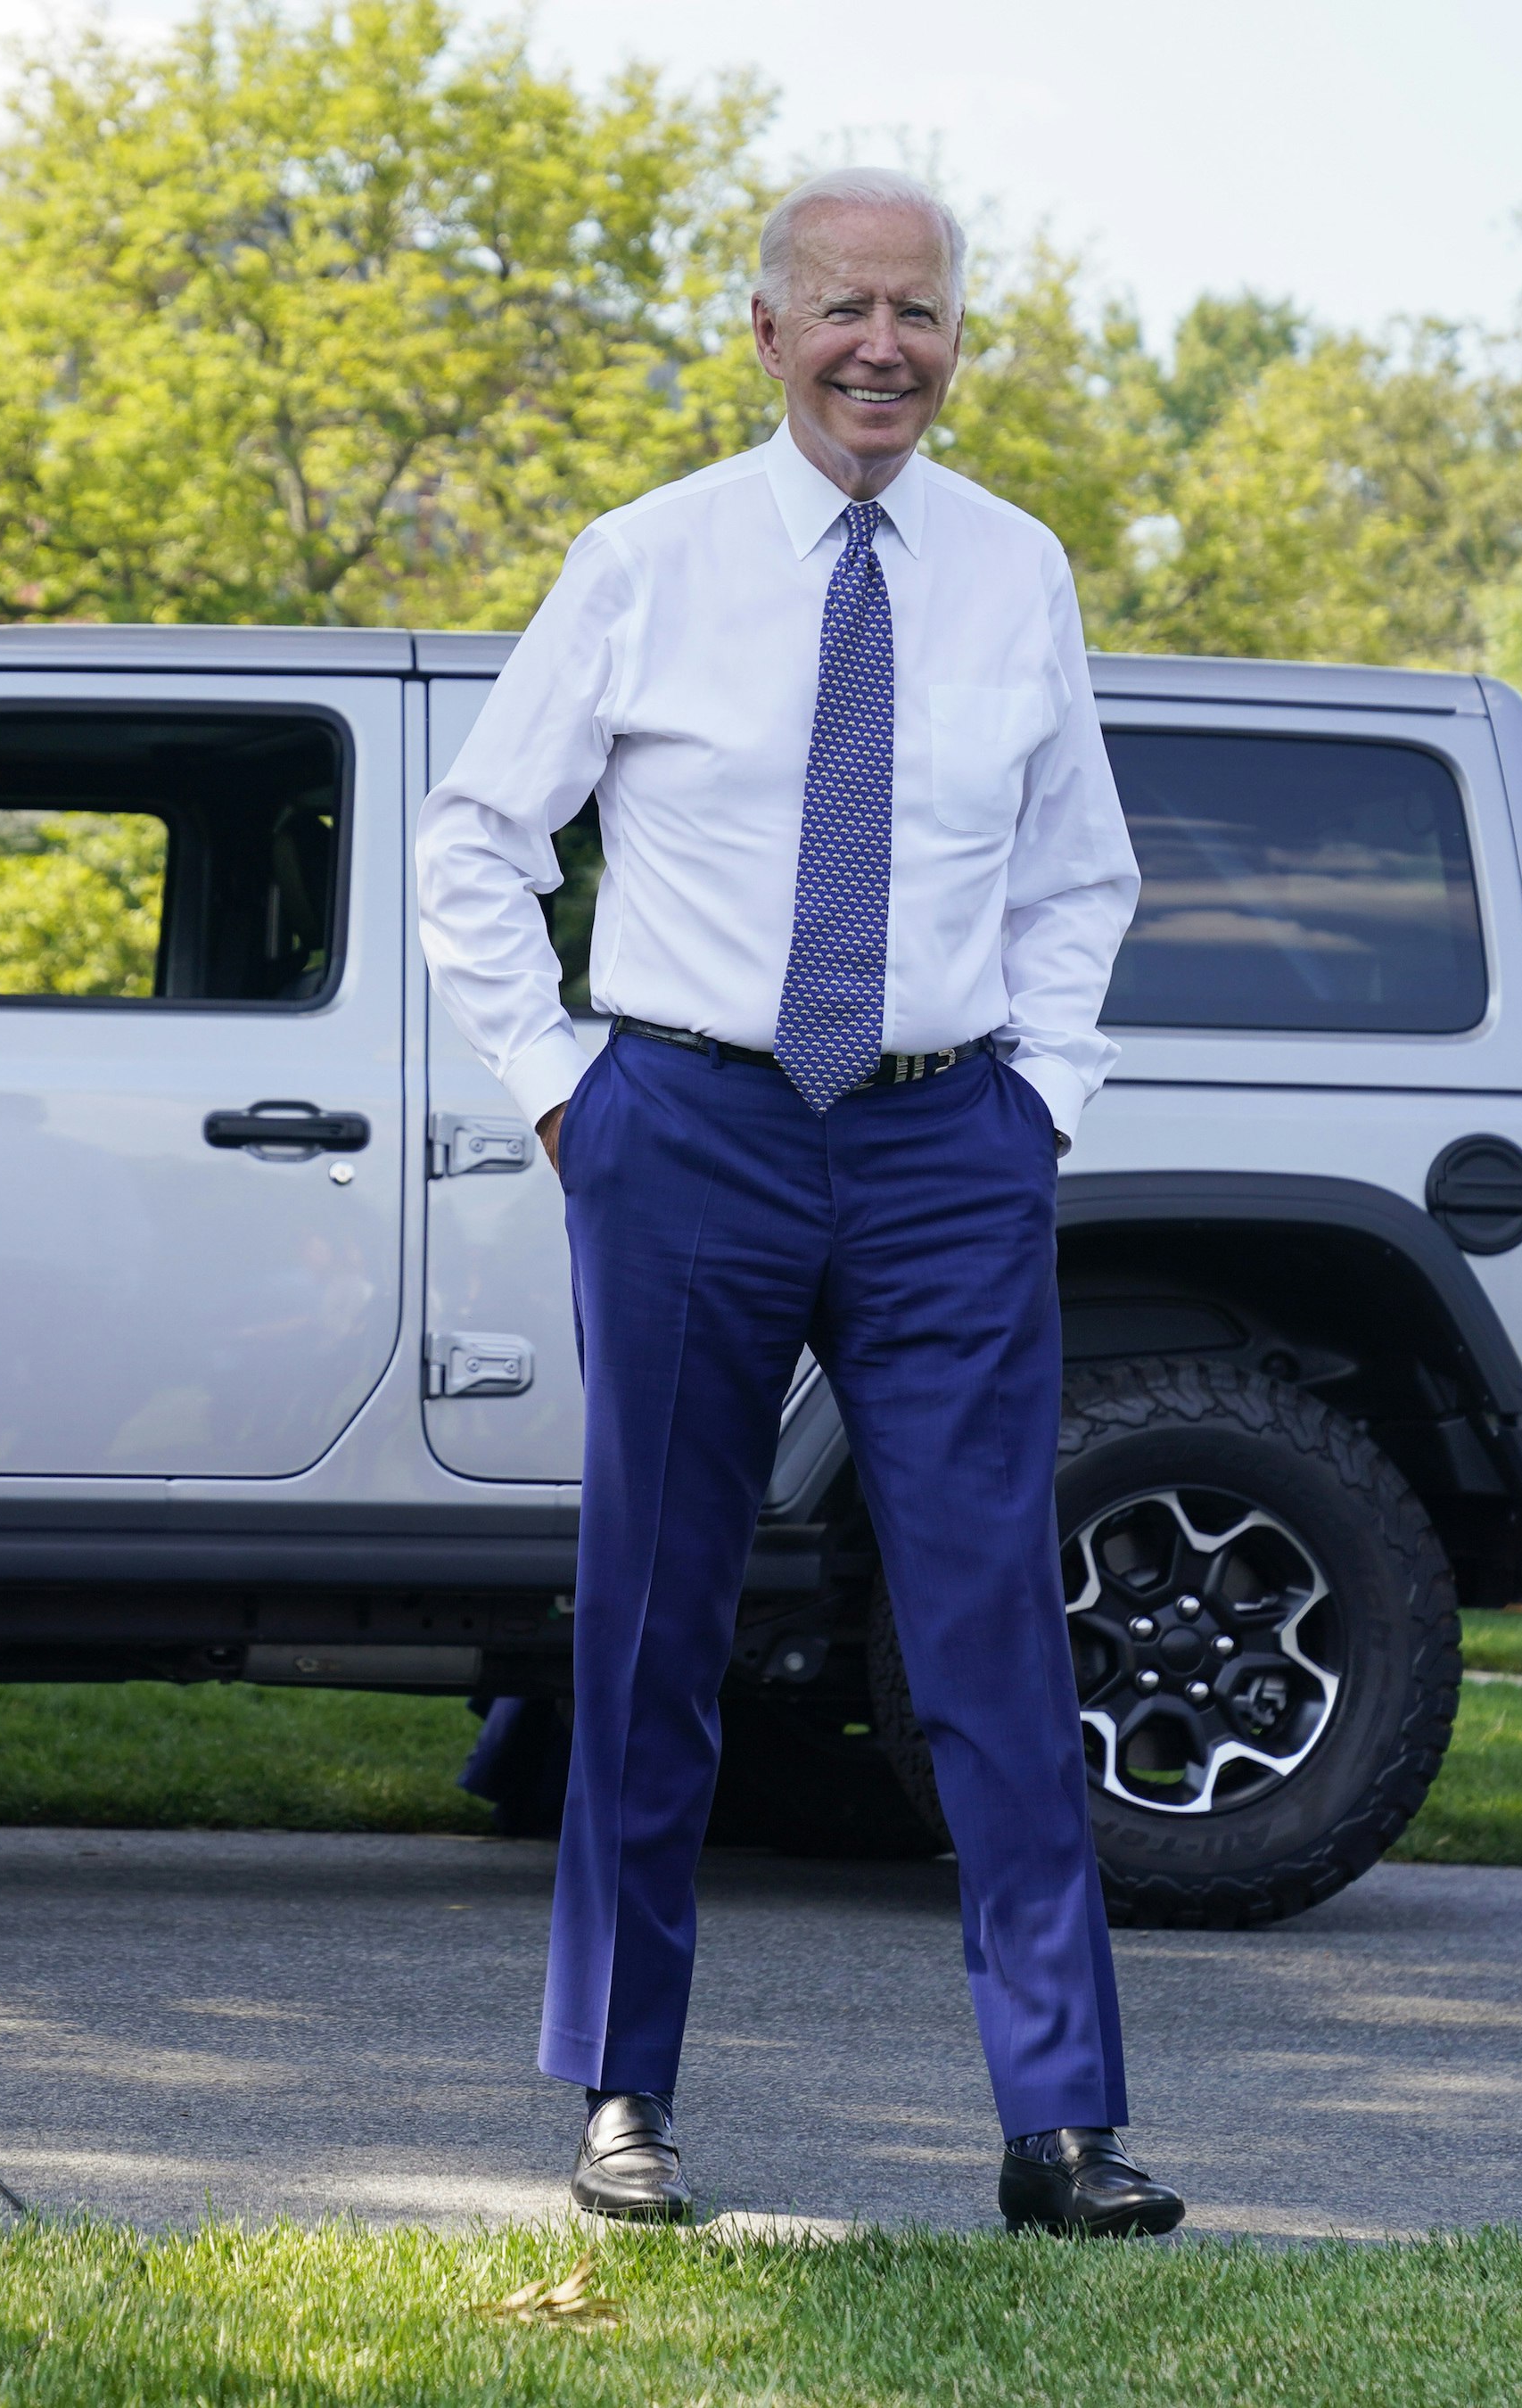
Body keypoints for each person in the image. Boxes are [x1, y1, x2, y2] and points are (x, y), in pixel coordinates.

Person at [414, 165, 1179, 2239]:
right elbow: (476, 842)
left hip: (946, 1151)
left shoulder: (1018, 573)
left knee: (994, 1634)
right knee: (654, 1621)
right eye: (842, 308)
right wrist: (571, 1093)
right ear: (763, 331)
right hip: (686, 1129)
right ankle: (621, 2099)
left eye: (918, 314)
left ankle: (1064, 2126)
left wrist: (1043, 1103)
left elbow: (1079, 874)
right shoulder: (646, 561)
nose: (881, 348)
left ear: (953, 341)